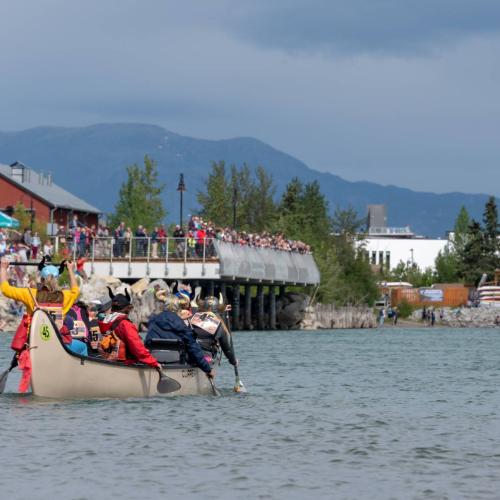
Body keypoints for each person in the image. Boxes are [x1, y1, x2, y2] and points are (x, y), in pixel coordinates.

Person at [145, 297, 215, 378]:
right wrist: (207, 369)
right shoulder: (181, 324)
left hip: (153, 359)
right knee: (194, 352)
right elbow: (193, 348)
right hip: (175, 361)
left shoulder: (152, 320)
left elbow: (146, 342)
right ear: (178, 309)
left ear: (163, 307)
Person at [98, 288, 161, 369]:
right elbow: (137, 347)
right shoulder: (125, 324)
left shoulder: (105, 320)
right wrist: (153, 362)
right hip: (124, 364)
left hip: (107, 360)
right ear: (126, 308)